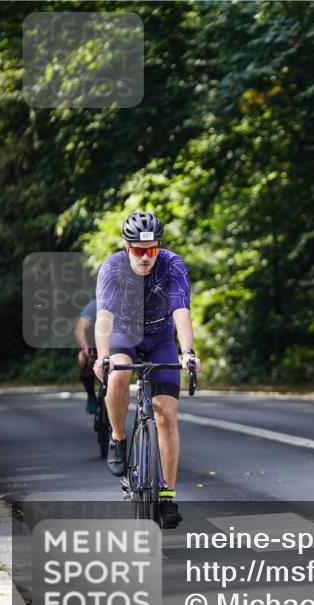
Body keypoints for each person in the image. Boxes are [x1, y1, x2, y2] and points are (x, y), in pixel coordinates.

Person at [93, 211, 201, 528]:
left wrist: (189, 352)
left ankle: (166, 496)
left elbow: (181, 311)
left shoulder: (172, 264)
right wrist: (102, 356)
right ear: (128, 249)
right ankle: (117, 436)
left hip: (159, 338)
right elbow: (103, 319)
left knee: (165, 411)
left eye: (151, 250)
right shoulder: (112, 268)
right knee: (120, 370)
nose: (145, 257)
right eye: (138, 251)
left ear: (158, 248)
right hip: (123, 335)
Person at [74, 299, 99, 413]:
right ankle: (91, 395)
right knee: (83, 359)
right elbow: (80, 329)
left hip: (114, 344)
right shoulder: (95, 304)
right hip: (93, 344)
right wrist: (86, 349)